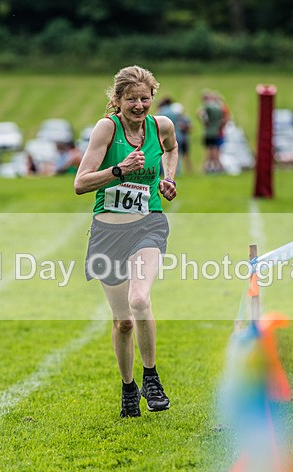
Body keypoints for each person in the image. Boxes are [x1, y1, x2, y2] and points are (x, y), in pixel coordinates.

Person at [74, 65, 178, 418]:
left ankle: (151, 378)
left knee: (139, 298)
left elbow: (172, 150)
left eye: (144, 98)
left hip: (148, 224)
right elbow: (80, 183)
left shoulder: (161, 126)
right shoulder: (107, 129)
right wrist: (119, 170)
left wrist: (168, 178)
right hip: (107, 230)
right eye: (131, 99)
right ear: (117, 101)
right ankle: (128, 387)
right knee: (123, 322)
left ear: (152, 97)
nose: (138, 105)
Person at [198, 90, 224, 173]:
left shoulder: (207, 106)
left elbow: (201, 114)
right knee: (215, 149)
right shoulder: (218, 106)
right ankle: (217, 166)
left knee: (209, 149)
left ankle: (207, 166)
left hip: (209, 131)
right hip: (216, 130)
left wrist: (205, 122)